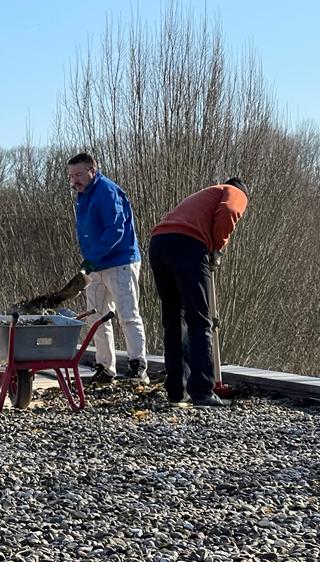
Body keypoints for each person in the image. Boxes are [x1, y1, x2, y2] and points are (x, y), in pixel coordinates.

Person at [149, 178, 250, 408]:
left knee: (174, 320)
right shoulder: (234, 192)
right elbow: (230, 211)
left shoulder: (204, 194)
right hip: (187, 245)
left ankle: (177, 391)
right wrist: (217, 247)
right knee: (199, 319)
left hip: (159, 243)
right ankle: (202, 391)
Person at [67, 152, 149, 384]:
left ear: (92, 170)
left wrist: (93, 258)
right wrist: (90, 260)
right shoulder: (83, 196)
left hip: (120, 261)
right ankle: (105, 367)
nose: (74, 180)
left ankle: (138, 365)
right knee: (96, 318)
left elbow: (116, 229)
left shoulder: (106, 191)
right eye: (71, 176)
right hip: (96, 264)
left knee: (128, 314)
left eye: (79, 174)